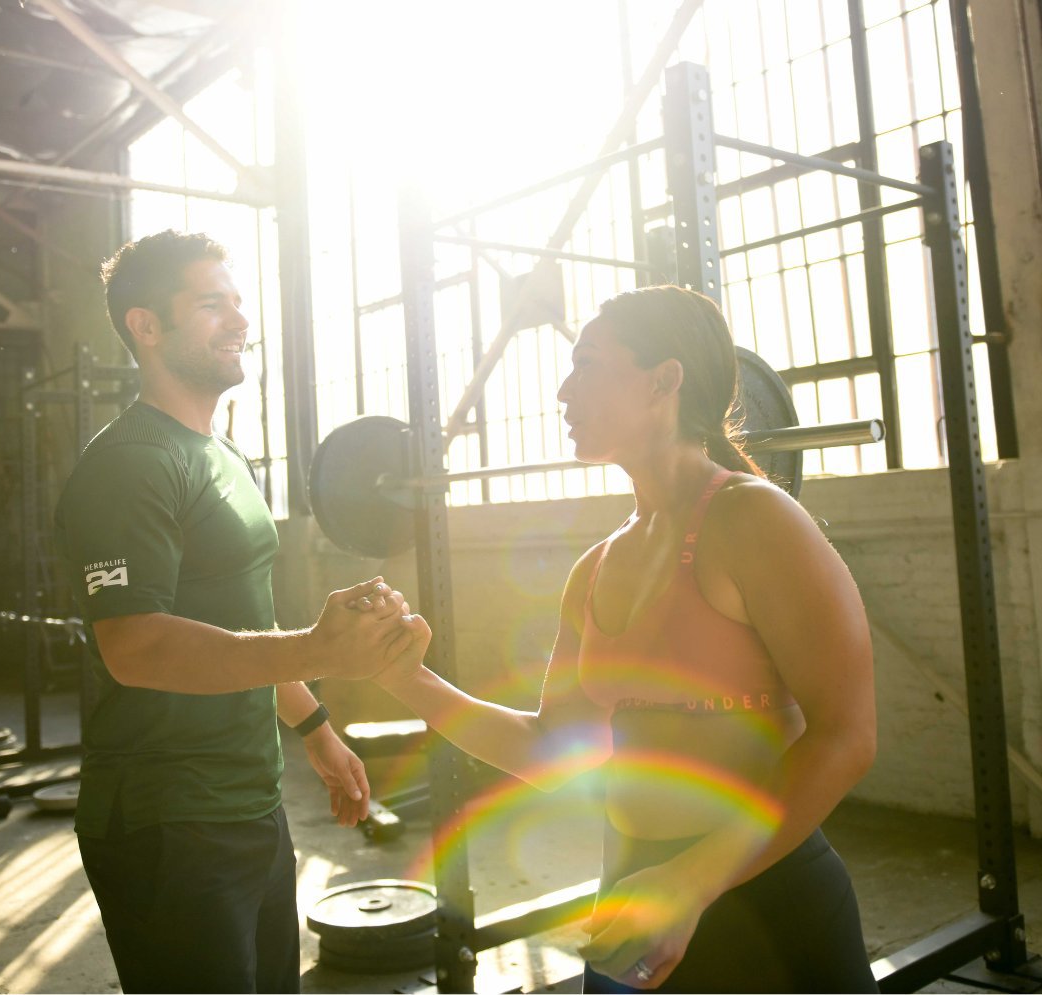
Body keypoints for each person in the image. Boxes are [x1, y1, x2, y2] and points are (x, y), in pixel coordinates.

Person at [374, 285, 878, 992]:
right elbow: (552, 749)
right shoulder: (596, 566)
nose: (562, 389)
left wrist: (690, 883)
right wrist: (406, 679)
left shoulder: (753, 519)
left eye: (586, 364)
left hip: (764, 904)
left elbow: (846, 736)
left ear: (662, 380)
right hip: (631, 901)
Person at [54, 229, 424, 994]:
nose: (240, 320)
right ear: (146, 326)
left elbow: (244, 625)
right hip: (166, 819)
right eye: (210, 305)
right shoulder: (130, 463)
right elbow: (136, 647)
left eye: (238, 302)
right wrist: (321, 648)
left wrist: (318, 731)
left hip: (251, 801)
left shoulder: (226, 456)